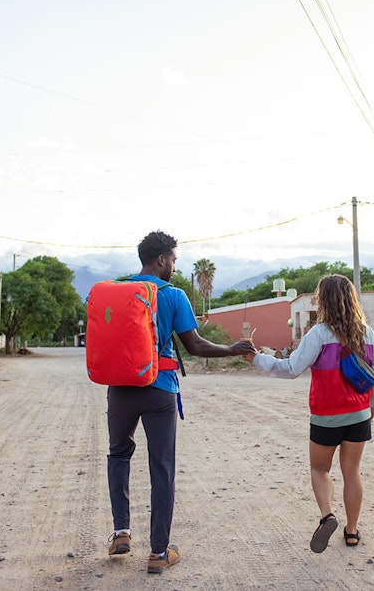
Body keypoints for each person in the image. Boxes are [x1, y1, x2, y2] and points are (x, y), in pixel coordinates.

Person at [106, 230, 256, 574]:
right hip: (159, 389)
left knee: (118, 455)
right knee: (162, 467)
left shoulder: (117, 292)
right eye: (173, 259)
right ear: (161, 260)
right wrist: (232, 349)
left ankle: (121, 533)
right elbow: (196, 346)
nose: (174, 265)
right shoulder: (174, 296)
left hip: (120, 389)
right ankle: (159, 552)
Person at [249, 274, 374, 553]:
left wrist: (255, 358)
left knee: (319, 469)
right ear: (351, 299)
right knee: (352, 473)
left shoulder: (319, 334)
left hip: (326, 416)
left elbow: (291, 369)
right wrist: (372, 405)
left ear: (322, 301)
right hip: (358, 414)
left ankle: (327, 516)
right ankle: (351, 531)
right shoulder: (367, 333)